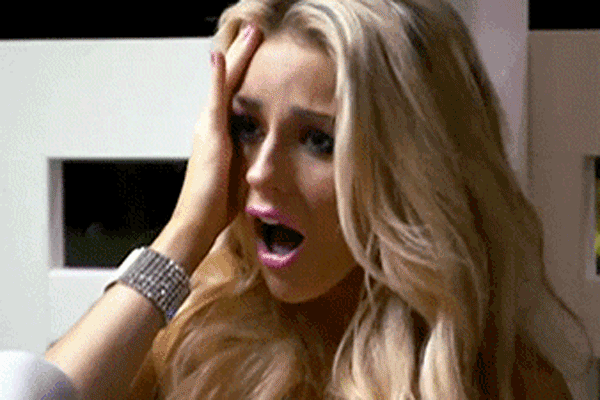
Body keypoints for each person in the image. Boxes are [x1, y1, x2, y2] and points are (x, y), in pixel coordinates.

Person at [42, 0, 594, 399]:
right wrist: (184, 233)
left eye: (319, 140)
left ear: (412, 167)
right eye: (246, 127)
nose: (262, 172)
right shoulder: (184, 341)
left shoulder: (506, 381)